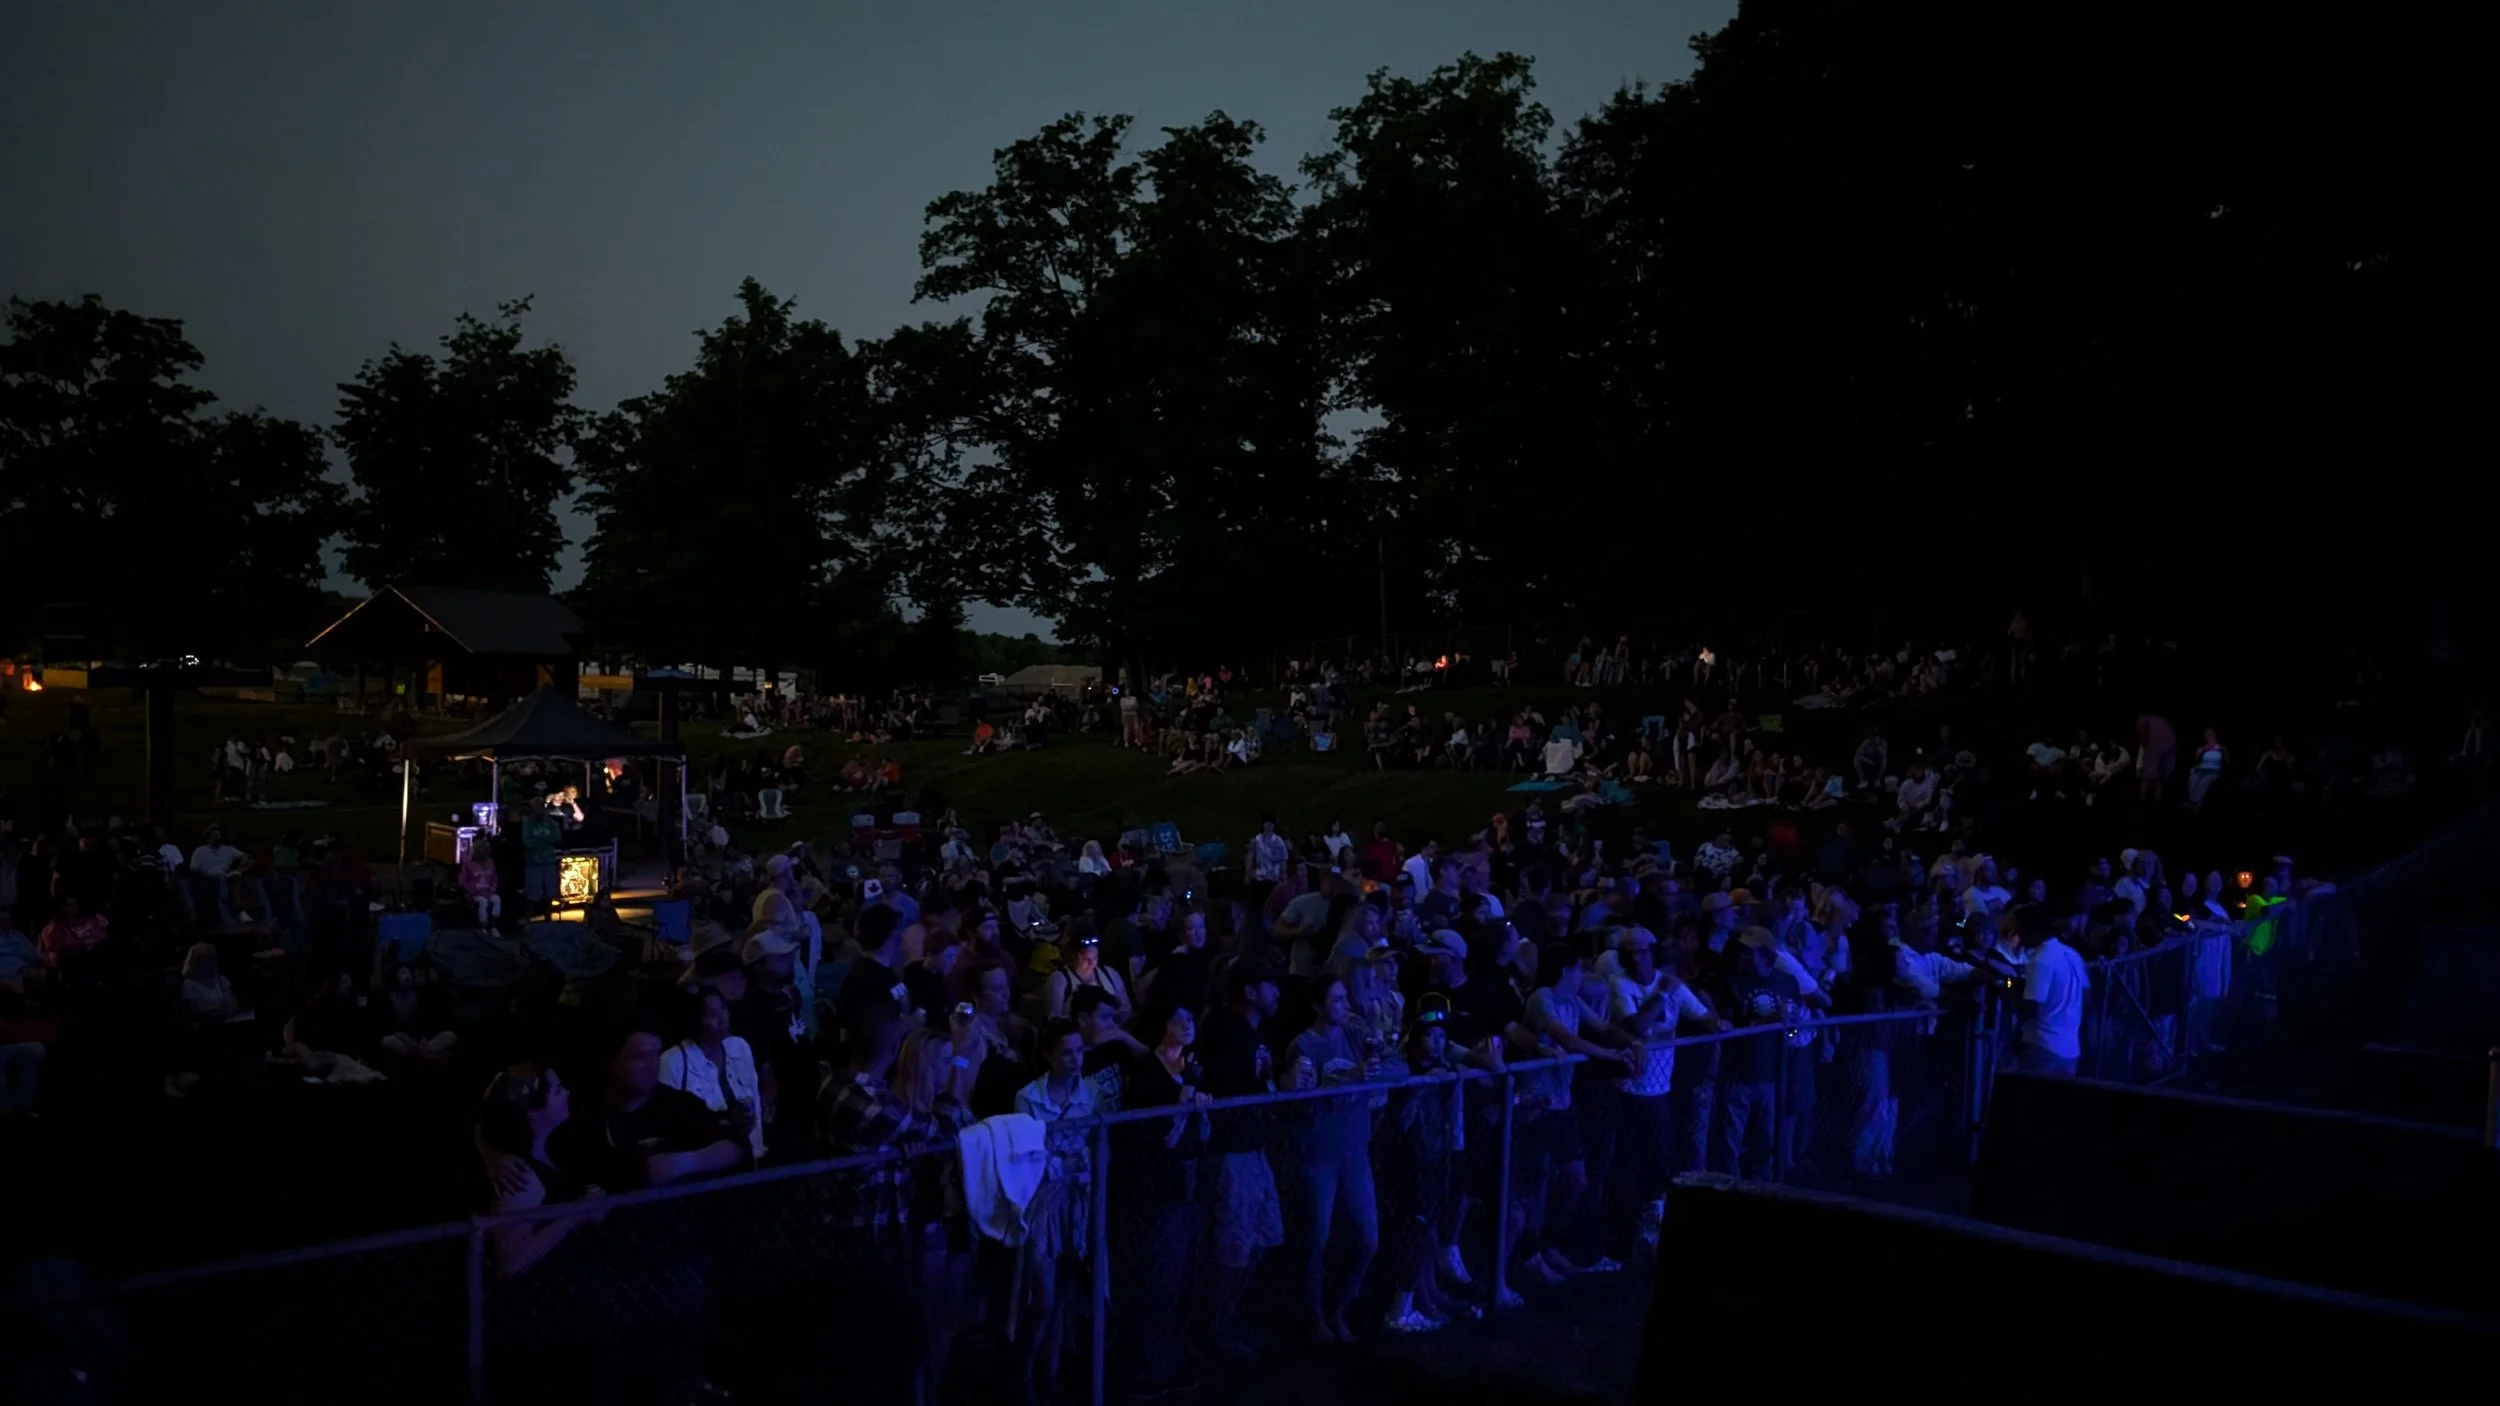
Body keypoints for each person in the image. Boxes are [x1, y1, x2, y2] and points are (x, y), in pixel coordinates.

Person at [2015, 904, 2089, 1076]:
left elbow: (2032, 1008)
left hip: (2042, 1048)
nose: (2018, 934)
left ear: (2032, 929)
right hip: (2071, 1049)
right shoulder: (2073, 955)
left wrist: (2009, 991)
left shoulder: (2041, 960)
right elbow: (2087, 996)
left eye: (2020, 928)